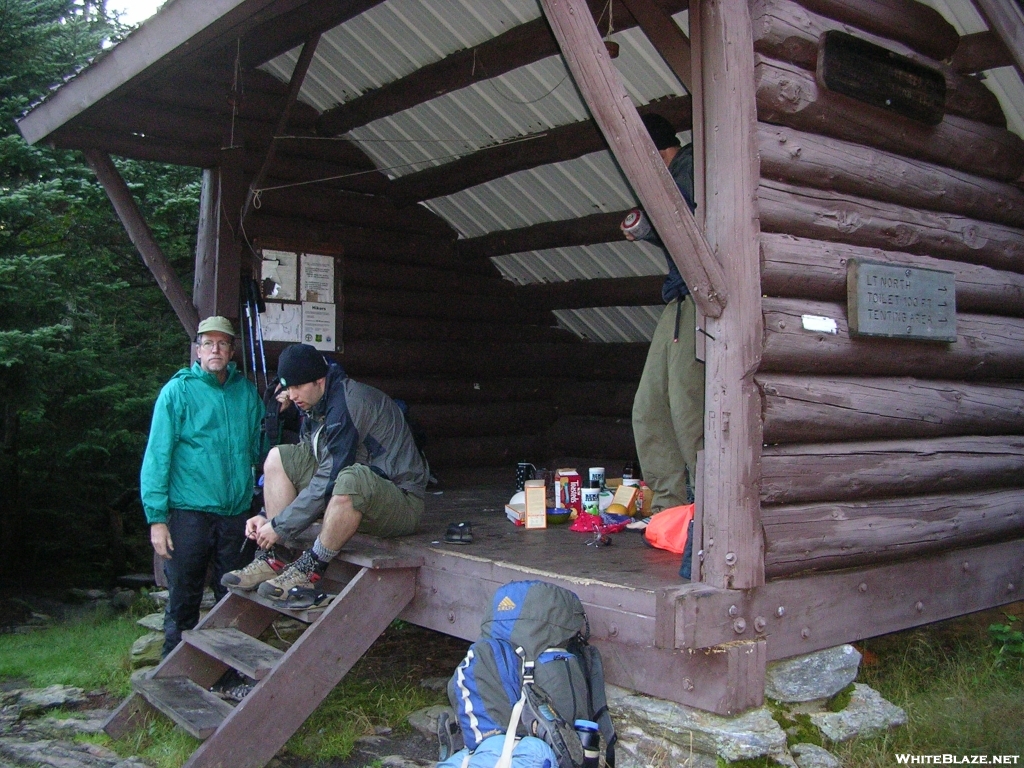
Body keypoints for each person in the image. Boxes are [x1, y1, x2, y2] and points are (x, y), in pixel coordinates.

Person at [221, 343, 429, 602]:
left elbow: (331, 475)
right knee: (279, 457)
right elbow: (309, 463)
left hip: (401, 501)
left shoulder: (350, 403)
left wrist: (281, 524)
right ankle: (273, 557)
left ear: (319, 380)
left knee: (350, 478)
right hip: (356, 497)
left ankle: (312, 567)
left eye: (297, 386)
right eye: (288, 387)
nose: (292, 395)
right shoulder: (315, 404)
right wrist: (267, 518)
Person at [140, 316, 263, 656]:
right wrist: (157, 519)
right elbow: (157, 457)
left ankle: (225, 671)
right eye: (208, 343)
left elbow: (258, 449)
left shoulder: (246, 393)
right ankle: (173, 672)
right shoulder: (177, 392)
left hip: (236, 514)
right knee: (184, 595)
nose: (215, 349)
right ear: (197, 350)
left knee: (232, 597)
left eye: (222, 343)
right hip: (188, 512)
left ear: (232, 350)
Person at [622, 113, 703, 529]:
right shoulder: (675, 175)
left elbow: (688, 222)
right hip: (678, 298)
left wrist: (648, 226)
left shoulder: (687, 166)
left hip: (698, 298)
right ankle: (670, 512)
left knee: (687, 406)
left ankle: (708, 505)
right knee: (649, 406)